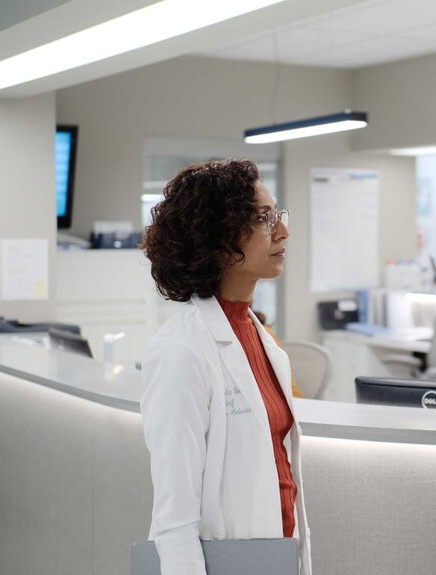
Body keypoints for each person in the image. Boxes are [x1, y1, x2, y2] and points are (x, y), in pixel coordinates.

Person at [140, 159, 311, 575]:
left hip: (276, 556)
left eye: (278, 215)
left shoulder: (257, 336)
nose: (282, 230)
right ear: (215, 236)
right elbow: (174, 521)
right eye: (262, 218)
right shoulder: (182, 350)